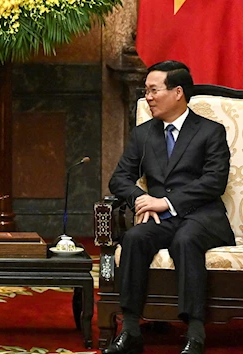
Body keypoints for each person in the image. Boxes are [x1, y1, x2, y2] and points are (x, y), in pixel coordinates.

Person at [106, 60, 235, 354]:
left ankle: (195, 332)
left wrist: (165, 202)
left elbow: (214, 182)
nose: (148, 97)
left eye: (153, 90)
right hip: (159, 218)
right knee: (134, 238)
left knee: (186, 240)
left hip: (202, 216)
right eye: (145, 91)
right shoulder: (144, 133)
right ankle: (130, 330)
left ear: (177, 92)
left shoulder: (210, 131)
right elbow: (120, 178)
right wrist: (140, 199)